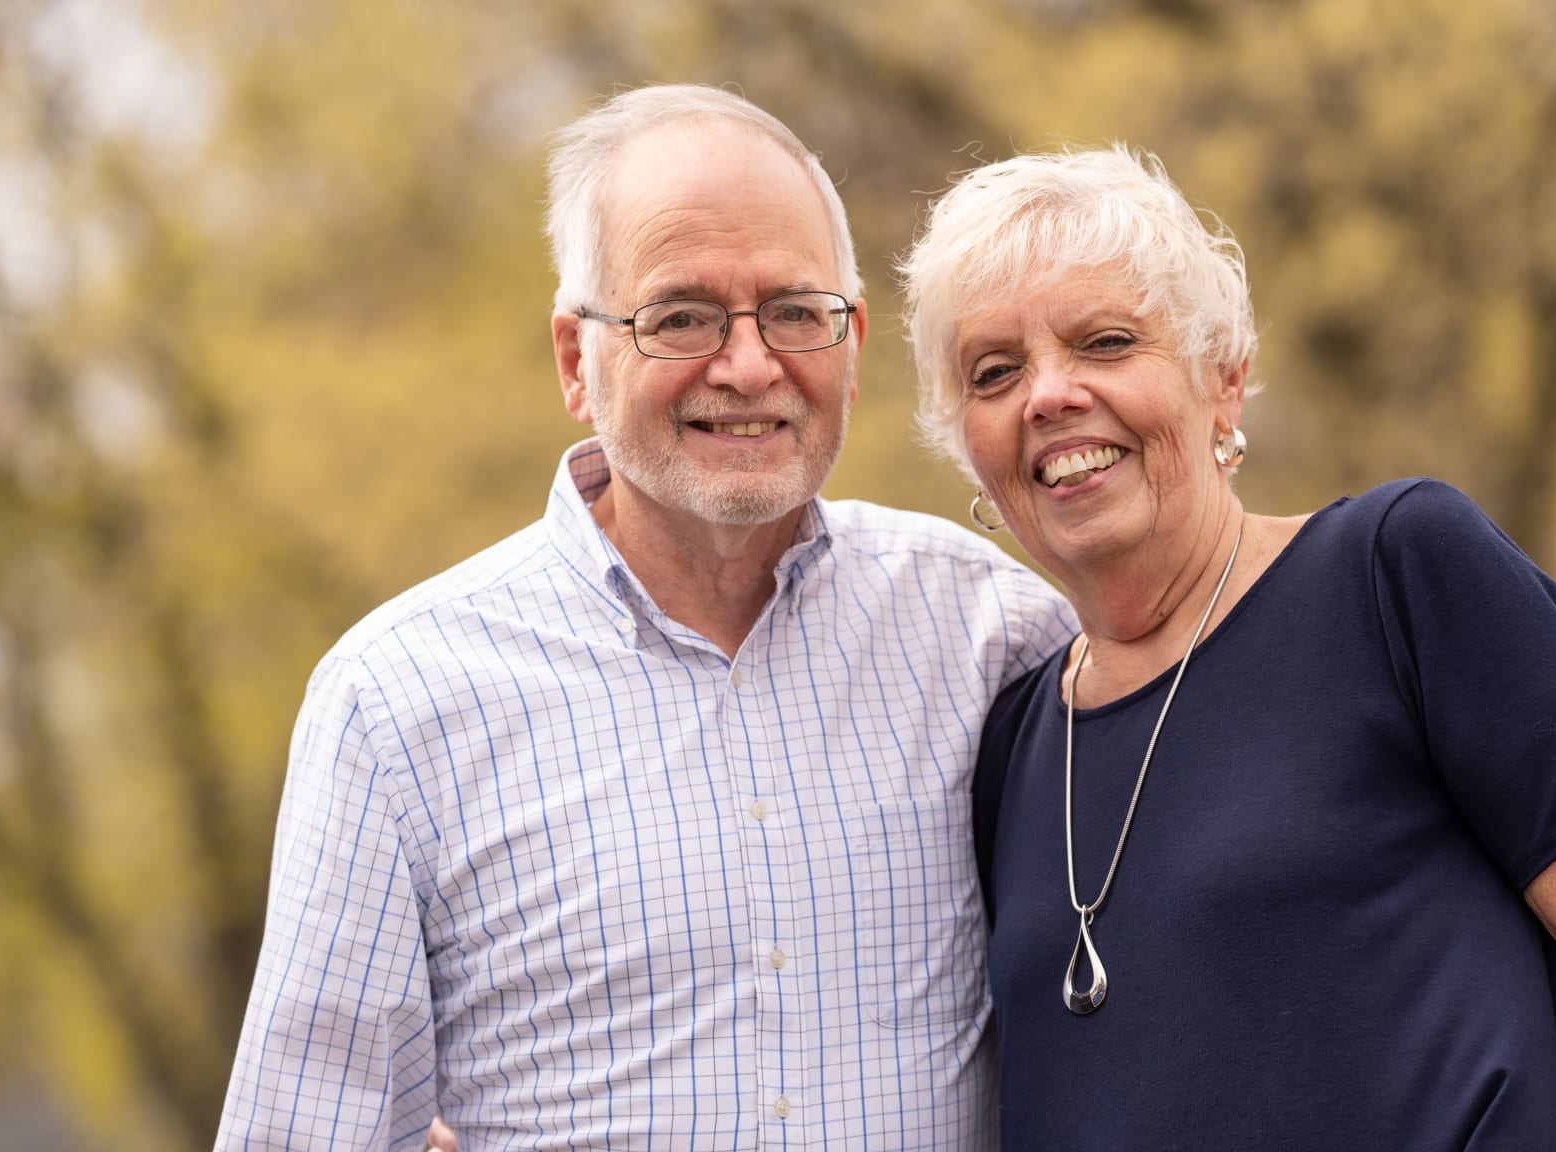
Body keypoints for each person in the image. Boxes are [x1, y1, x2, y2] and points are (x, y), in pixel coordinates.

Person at [214, 85, 1075, 1151]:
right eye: (681, 317)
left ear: (851, 348)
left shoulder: (996, 635)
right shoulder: (395, 706)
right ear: (578, 360)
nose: (749, 364)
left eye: (795, 312)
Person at [898, 145, 1556, 1150]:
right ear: (971, 449)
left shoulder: (1398, 577)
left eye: (1106, 342)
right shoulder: (1011, 749)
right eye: (995, 373)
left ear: (1224, 380)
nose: (1048, 394)